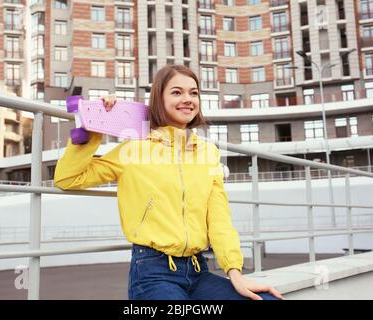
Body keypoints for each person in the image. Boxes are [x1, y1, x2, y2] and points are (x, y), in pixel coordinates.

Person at [54, 64, 283, 300]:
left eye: (193, 93)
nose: (188, 99)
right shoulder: (134, 148)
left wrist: (235, 272)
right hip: (152, 273)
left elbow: (219, 218)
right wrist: (92, 132)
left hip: (198, 270)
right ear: (158, 99)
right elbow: (68, 178)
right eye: (176, 92)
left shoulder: (207, 152)